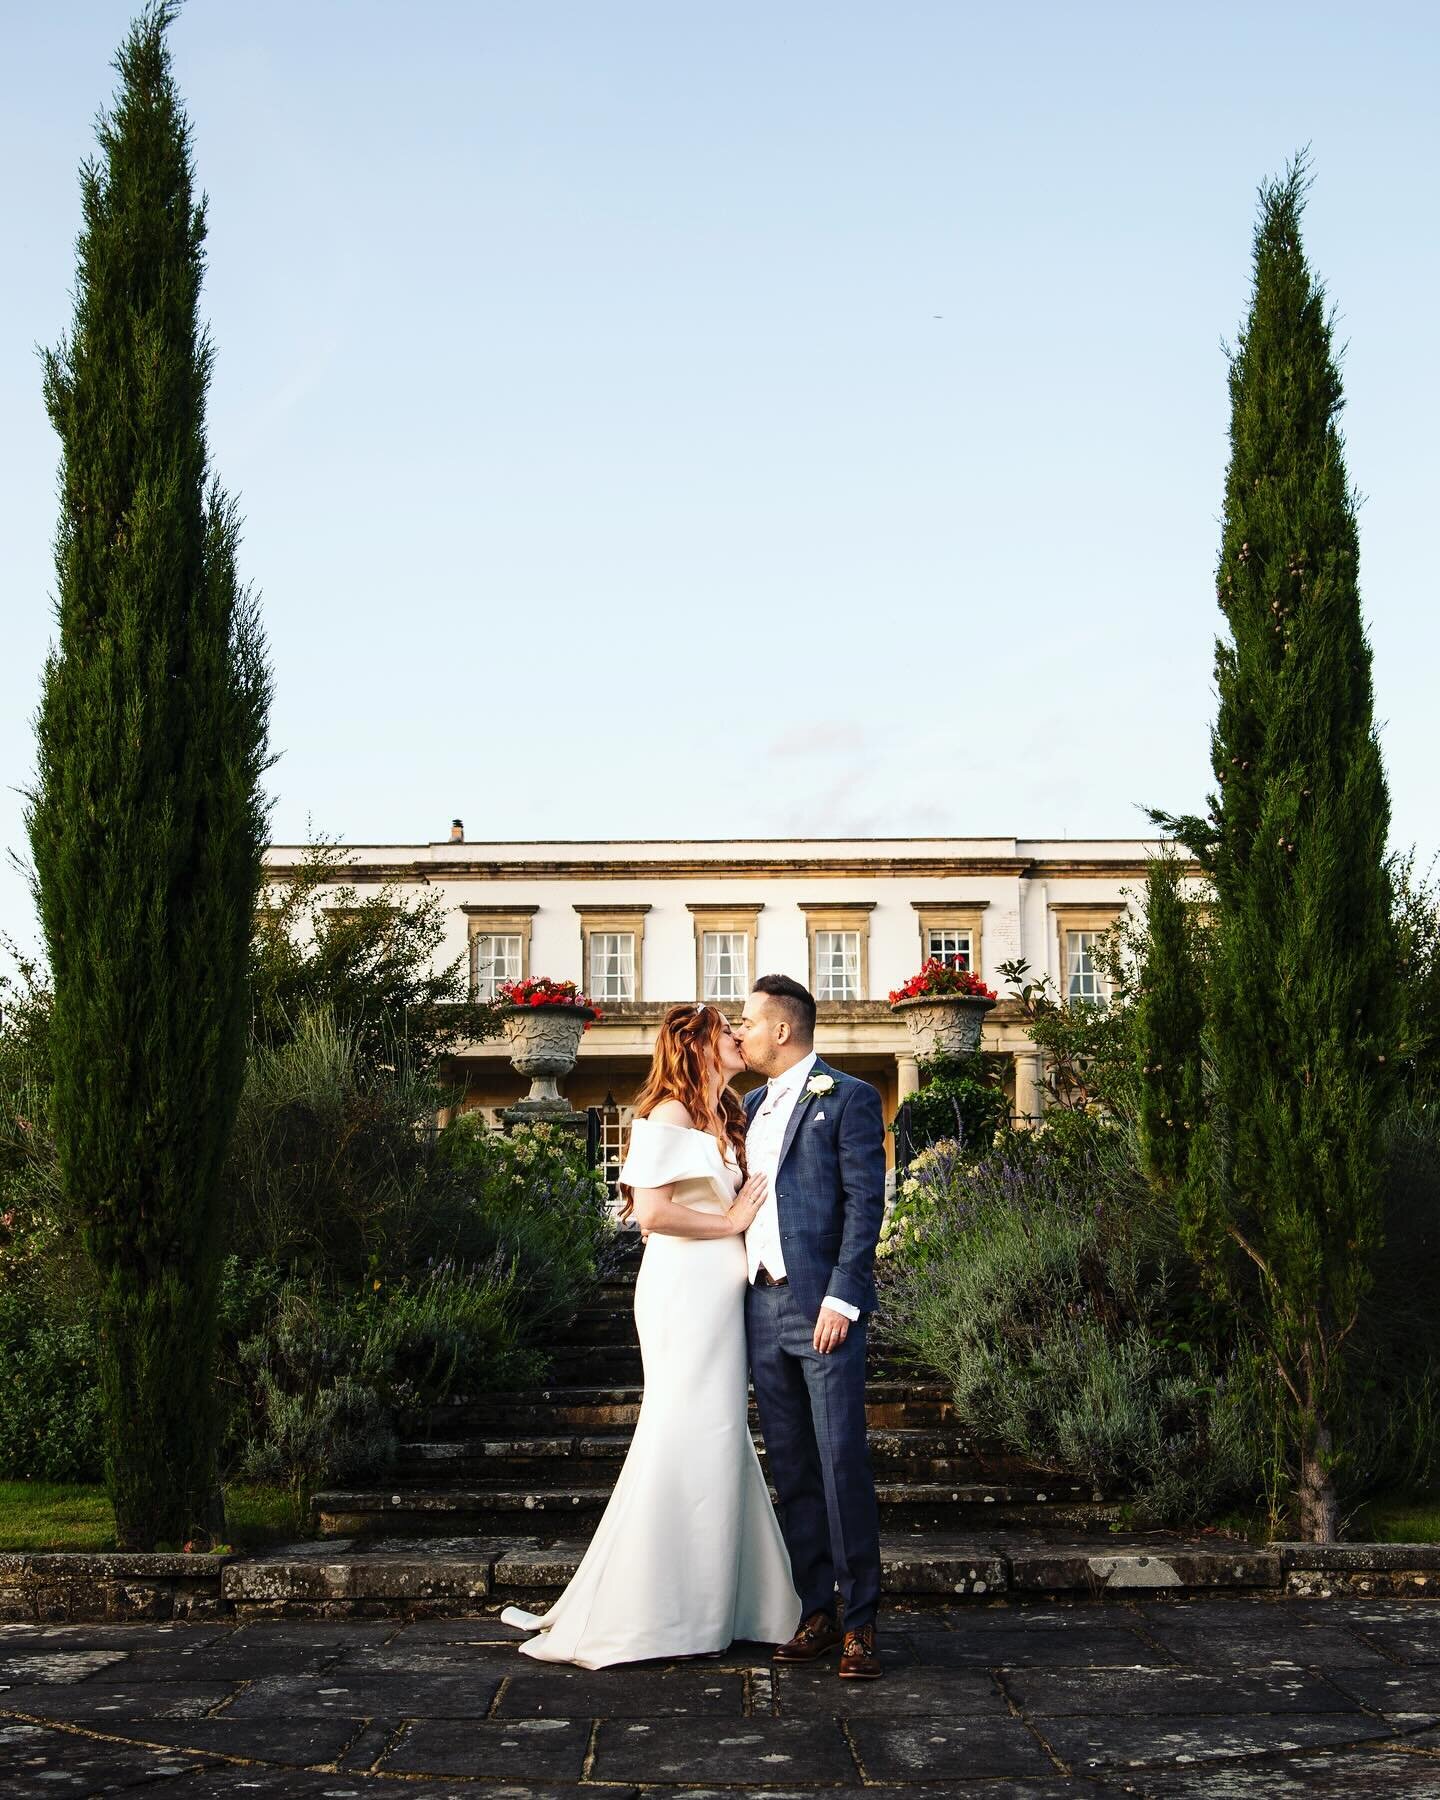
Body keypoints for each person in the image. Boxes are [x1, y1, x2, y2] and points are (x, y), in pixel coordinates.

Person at [499, 1002, 801, 1668]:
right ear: (694, 1046)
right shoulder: (666, 1113)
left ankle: (730, 1600)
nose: (737, 1038)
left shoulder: (726, 1115)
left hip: (722, 1294)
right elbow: (654, 1213)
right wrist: (728, 1225)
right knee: (687, 1428)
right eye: (725, 1031)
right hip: (683, 1294)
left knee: (720, 1431)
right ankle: (662, 1611)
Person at [735, 974, 887, 1681]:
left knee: (840, 1464)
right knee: (792, 1468)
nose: (740, 1032)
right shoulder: (752, 1104)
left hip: (823, 1307)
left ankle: (861, 1625)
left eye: (747, 1022)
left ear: (783, 1030)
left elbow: (865, 1208)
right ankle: (816, 1612)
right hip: (760, 1306)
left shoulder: (850, 1098)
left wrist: (843, 1300)